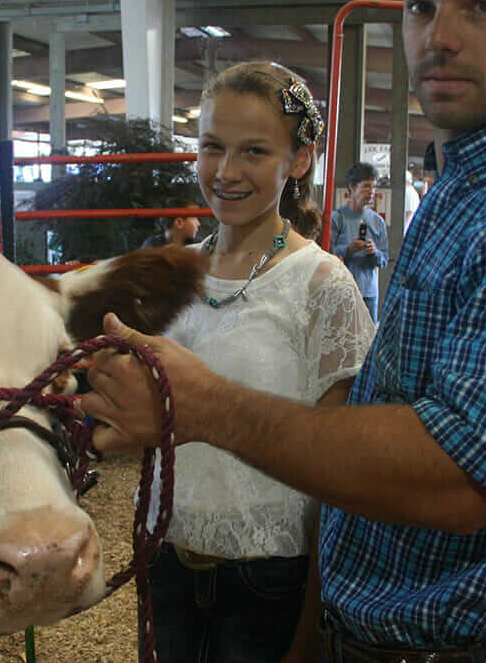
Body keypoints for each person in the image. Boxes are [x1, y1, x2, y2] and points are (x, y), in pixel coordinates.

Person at [80, 0, 486, 661]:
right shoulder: (467, 189)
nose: (438, 36)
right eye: (420, 6)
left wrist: (204, 405)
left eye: (481, 5)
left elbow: (456, 483)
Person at [133, 61, 376, 663]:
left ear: (298, 161)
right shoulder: (172, 273)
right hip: (167, 563)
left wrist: (314, 623)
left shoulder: (322, 284)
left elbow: (343, 474)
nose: (227, 172)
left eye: (254, 152)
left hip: (270, 582)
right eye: (213, 147)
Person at [330, 162, 389, 322]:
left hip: (369, 293)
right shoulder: (337, 218)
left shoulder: (377, 221)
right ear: (351, 188)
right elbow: (326, 254)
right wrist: (348, 249)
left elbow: (384, 259)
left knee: (368, 342)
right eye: (366, 186)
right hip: (342, 291)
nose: (371, 192)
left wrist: (374, 252)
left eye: (374, 187)